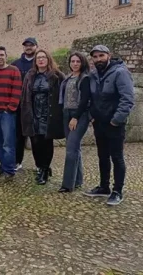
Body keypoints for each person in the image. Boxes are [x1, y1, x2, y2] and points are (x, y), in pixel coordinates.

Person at [84, 45, 134, 206]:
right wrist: (92, 116)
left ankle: (117, 191)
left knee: (117, 157)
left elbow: (127, 99)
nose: (98, 59)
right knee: (102, 156)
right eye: (95, 57)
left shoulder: (120, 72)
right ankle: (104, 187)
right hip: (99, 122)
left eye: (101, 56)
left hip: (114, 124)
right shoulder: (93, 75)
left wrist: (116, 120)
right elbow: (91, 98)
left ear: (109, 56)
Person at [20, 49, 65, 185]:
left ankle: (44, 169)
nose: (41, 60)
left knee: (46, 143)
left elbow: (63, 94)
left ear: (48, 59)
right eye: (38, 58)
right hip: (33, 114)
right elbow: (25, 94)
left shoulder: (57, 75)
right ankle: (39, 166)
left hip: (49, 114)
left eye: (43, 57)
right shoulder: (30, 75)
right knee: (35, 143)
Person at [58, 52, 91, 193]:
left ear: (82, 63)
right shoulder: (68, 77)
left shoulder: (85, 78)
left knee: (71, 149)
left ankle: (67, 184)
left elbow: (84, 100)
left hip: (79, 115)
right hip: (67, 113)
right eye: (73, 61)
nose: (75, 64)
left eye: (78, 61)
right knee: (74, 147)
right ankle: (77, 180)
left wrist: (75, 117)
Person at [0, 46, 22, 182]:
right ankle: (3, 166)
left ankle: (9, 172)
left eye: (2, 55)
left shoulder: (14, 71)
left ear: (6, 56)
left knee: (8, 144)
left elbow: (17, 91)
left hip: (7, 113)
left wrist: (10, 108)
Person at [11, 37, 38, 171]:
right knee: (18, 135)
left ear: (36, 47)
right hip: (19, 105)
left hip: (36, 105)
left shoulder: (40, 63)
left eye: (31, 45)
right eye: (26, 45)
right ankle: (17, 162)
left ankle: (39, 165)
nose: (28, 47)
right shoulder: (15, 64)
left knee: (36, 137)